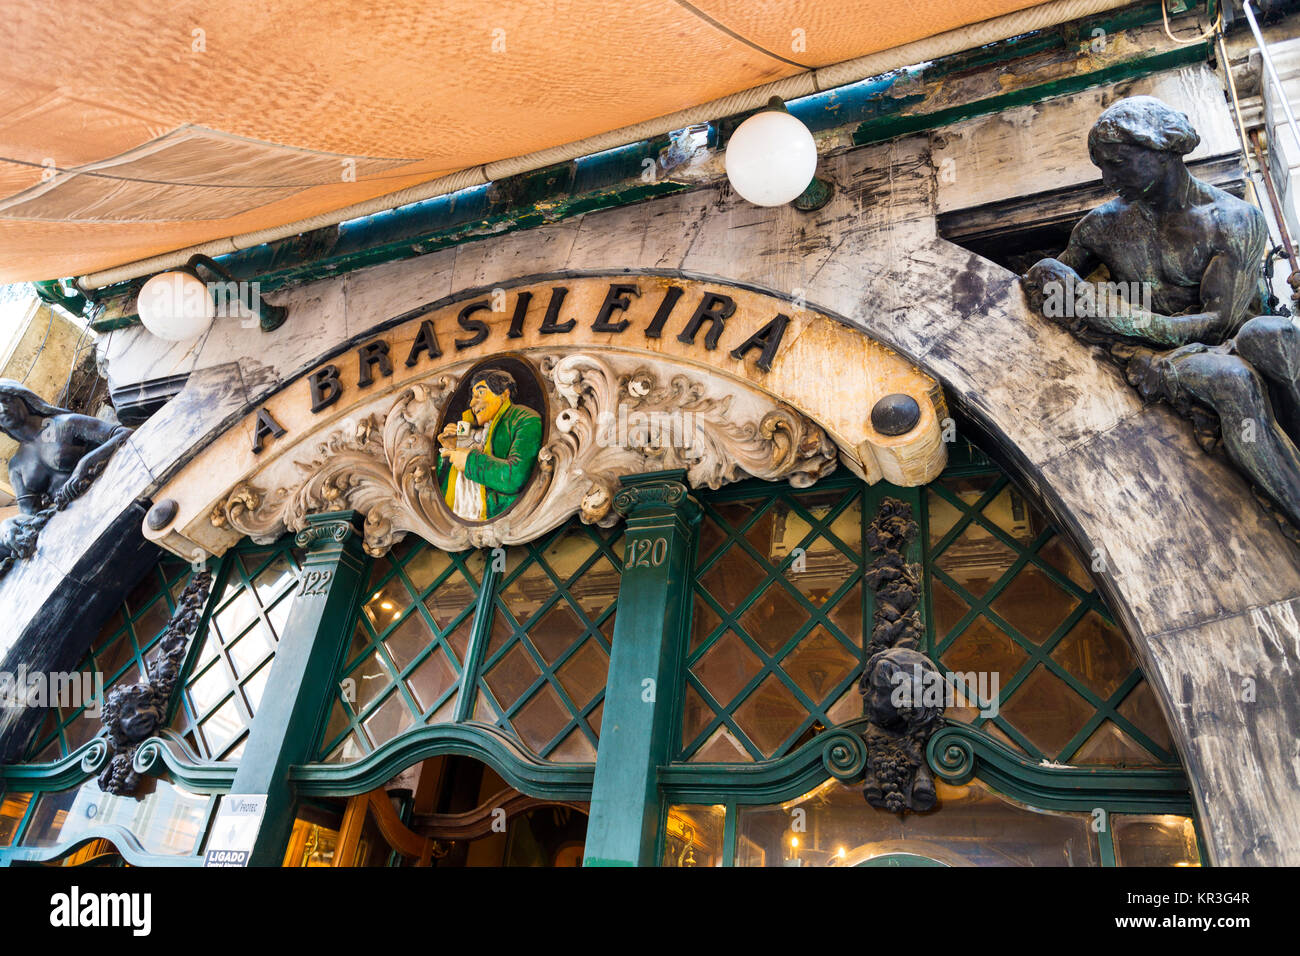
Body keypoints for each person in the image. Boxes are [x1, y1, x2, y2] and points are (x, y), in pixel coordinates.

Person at [1021, 96, 1300, 531]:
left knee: (1271, 336)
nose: (1108, 179)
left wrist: (1140, 320)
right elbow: (1049, 284)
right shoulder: (1098, 228)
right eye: (1102, 166)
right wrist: (1057, 283)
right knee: (1232, 380)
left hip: (1217, 335)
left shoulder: (1233, 219)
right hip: (1166, 354)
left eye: (1118, 163)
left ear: (1163, 149)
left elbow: (1222, 321)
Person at [0, 380, 131, 568]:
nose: (2, 408)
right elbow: (31, 516)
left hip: (113, 494)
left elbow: (123, 433)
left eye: (6, 399)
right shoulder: (16, 466)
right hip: (74, 526)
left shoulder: (64, 424)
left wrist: (86, 464)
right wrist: (7, 526)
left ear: (23, 399)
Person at [436, 368, 542, 521]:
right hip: (453, 523)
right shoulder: (469, 430)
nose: (472, 403)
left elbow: (515, 478)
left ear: (504, 394)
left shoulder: (524, 418)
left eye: (481, 393)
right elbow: (440, 485)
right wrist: (450, 449)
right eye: (472, 396)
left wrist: (469, 462)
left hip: (502, 517)